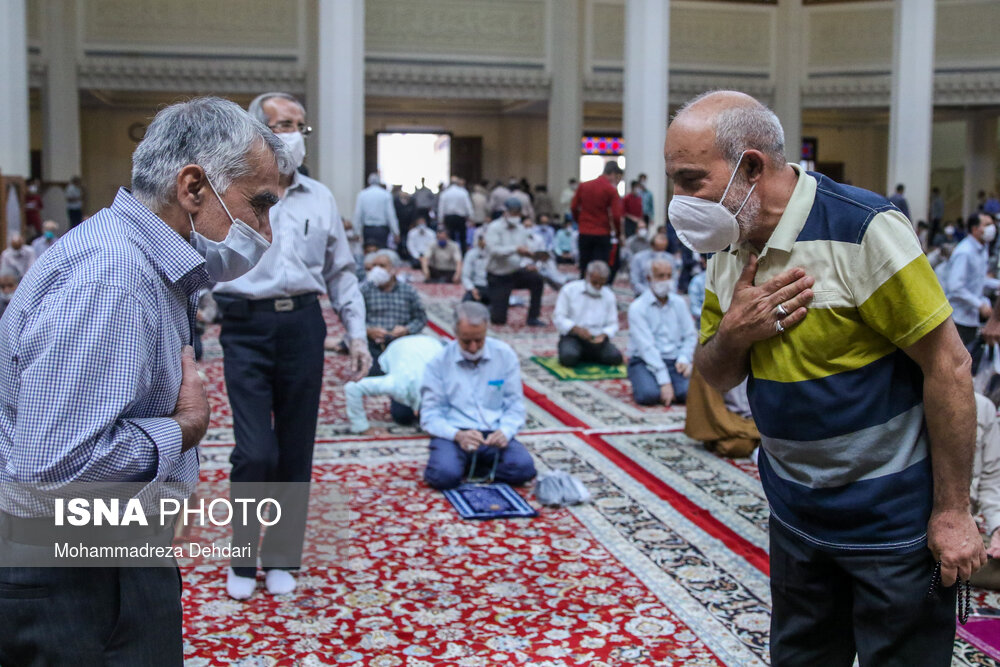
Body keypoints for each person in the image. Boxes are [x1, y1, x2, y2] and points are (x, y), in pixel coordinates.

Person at [671, 90, 984, 665]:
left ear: (752, 167)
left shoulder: (863, 228)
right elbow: (714, 373)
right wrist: (737, 332)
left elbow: (950, 365)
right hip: (796, 514)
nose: (679, 200)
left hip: (892, 521)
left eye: (691, 181)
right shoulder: (728, 243)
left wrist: (952, 512)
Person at [0, 97, 286, 664]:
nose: (266, 232)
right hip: (74, 572)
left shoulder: (135, 258)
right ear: (193, 188)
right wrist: (183, 429)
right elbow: (53, 470)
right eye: (259, 206)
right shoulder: (115, 279)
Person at [214, 91, 369, 600]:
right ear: (257, 132)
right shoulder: (228, 192)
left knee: (296, 449)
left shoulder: (319, 197)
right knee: (256, 451)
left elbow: (341, 271)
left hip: (303, 326)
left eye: (299, 126)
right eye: (282, 124)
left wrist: (357, 331)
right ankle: (242, 556)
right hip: (245, 327)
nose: (293, 135)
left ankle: (282, 557)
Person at [420, 302, 537, 490]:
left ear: (486, 331)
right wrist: (458, 435)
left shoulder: (504, 355)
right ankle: (465, 465)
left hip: (492, 434)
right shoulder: (439, 363)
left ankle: (469, 467)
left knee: (524, 469)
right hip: (455, 434)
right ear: (455, 334)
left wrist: (505, 432)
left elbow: (515, 405)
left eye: (479, 340)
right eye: (466, 341)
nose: (473, 347)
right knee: (443, 476)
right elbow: (430, 415)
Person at [361, 250, 428, 422]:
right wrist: (369, 330)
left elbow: (420, 319)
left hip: (402, 346)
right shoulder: (364, 290)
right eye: (374, 266)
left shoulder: (408, 291)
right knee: (372, 375)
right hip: (375, 346)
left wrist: (406, 330)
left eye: (382, 266)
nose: (377, 270)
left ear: (394, 270)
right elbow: (353, 320)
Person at [626, 257, 695, 405]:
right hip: (644, 361)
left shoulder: (679, 303)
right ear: (649, 278)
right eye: (660, 276)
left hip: (674, 360)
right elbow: (646, 347)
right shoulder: (637, 307)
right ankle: (649, 380)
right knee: (649, 395)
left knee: (689, 394)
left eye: (669, 276)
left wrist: (684, 358)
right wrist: (665, 382)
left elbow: (690, 335)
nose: (666, 280)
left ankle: (673, 386)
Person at [344, 334, 443, 434]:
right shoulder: (397, 384)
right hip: (397, 347)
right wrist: (362, 427)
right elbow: (352, 388)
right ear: (416, 412)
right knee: (403, 417)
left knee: (403, 415)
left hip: (432, 342)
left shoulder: (448, 383)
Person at [484, 199, 545, 327]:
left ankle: (533, 317)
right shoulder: (494, 228)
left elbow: (524, 249)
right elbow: (494, 251)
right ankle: (492, 305)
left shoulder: (521, 229)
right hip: (498, 275)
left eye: (518, 214)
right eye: (513, 213)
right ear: (505, 213)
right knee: (498, 320)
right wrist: (515, 249)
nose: (515, 216)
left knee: (537, 280)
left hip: (515, 271)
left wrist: (530, 260)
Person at [553, 260, 622, 367]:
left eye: (601, 284)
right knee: (568, 358)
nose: (598, 287)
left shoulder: (608, 295)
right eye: (595, 283)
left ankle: (588, 355)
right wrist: (576, 329)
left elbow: (613, 323)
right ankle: (581, 354)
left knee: (615, 358)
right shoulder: (569, 290)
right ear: (587, 276)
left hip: (597, 339)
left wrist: (604, 335)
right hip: (574, 337)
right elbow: (559, 317)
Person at [945, 212, 996, 344]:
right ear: (974, 229)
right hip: (959, 318)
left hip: (972, 318)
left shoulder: (982, 249)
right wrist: (979, 305)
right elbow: (955, 286)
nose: (992, 228)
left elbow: (978, 280)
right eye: (987, 225)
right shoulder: (965, 252)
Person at [571, 161, 624, 279]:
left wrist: (580, 221)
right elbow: (616, 216)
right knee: (600, 268)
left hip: (584, 231)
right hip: (602, 233)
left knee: (584, 266)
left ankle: (583, 291)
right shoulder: (610, 190)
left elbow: (574, 207)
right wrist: (618, 233)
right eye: (617, 178)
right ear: (613, 174)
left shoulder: (584, 186)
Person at [354, 173, 399, 249]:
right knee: (381, 253)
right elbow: (390, 215)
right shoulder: (386, 194)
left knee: (369, 252)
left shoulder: (362, 194)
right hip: (381, 230)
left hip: (368, 230)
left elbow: (358, 214)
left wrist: (356, 232)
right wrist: (396, 232)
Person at [437, 176, 475, 253]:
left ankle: (452, 255)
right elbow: (468, 206)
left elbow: (441, 208)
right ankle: (463, 255)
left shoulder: (445, 193)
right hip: (460, 218)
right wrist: (471, 217)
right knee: (462, 238)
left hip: (449, 218)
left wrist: (440, 220)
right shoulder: (463, 192)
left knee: (451, 238)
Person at [461, 231, 490, 305]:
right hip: (476, 286)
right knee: (466, 305)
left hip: (492, 287)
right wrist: (472, 289)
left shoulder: (495, 254)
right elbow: (465, 276)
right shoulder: (471, 254)